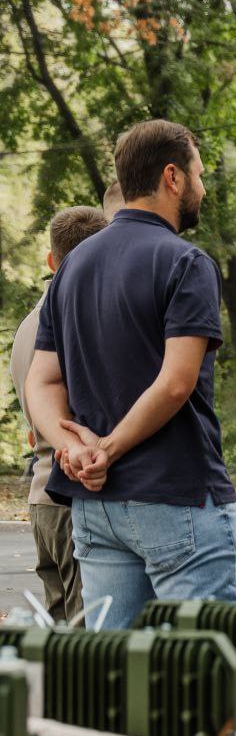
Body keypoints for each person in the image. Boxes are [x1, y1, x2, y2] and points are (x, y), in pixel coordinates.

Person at [25, 119, 236, 630]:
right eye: (198, 173)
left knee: (114, 674)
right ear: (173, 177)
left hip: (95, 508)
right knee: (206, 671)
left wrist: (73, 449)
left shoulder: (73, 265)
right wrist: (109, 449)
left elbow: (42, 381)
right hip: (178, 496)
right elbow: (175, 382)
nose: (203, 187)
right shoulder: (187, 263)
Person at [10, 207, 108, 622]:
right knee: (88, 631)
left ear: (52, 260)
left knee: (57, 631)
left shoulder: (27, 325)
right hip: (72, 493)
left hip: (40, 497)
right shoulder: (77, 321)